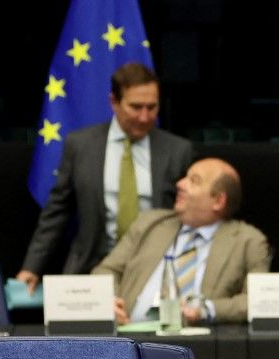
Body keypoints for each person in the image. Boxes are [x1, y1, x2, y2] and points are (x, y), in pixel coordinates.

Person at [17, 62, 193, 293]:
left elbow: (191, 216)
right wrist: (32, 267)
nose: (144, 117)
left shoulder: (178, 151)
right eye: (136, 107)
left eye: (152, 107)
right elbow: (56, 212)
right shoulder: (80, 145)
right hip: (91, 268)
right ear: (114, 102)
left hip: (156, 271)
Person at [92, 157, 270, 325]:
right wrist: (109, 300)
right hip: (130, 338)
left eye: (194, 181)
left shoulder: (248, 241)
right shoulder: (150, 224)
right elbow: (107, 270)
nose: (180, 184)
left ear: (218, 201)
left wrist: (207, 309)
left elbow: (258, 299)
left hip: (199, 345)